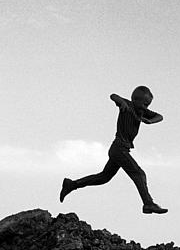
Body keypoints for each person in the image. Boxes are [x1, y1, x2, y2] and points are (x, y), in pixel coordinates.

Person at [59, 86, 168, 214]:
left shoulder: (143, 112)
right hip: (119, 148)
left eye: (148, 105)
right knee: (139, 174)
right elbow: (113, 96)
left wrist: (149, 121)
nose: (146, 107)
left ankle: (72, 184)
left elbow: (160, 116)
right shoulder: (128, 105)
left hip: (120, 149)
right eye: (144, 104)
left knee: (104, 177)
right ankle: (148, 204)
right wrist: (121, 102)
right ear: (135, 99)